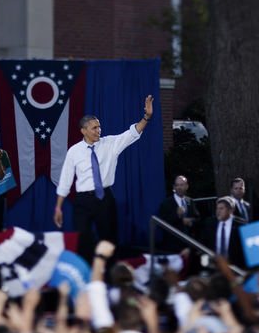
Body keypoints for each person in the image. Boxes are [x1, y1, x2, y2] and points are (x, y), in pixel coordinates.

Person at [54, 95, 155, 261]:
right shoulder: (74, 151)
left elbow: (133, 133)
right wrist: (58, 208)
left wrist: (147, 117)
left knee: (109, 242)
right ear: (83, 131)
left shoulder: (110, 144)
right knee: (82, 242)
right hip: (82, 202)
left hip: (105, 199)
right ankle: (86, 278)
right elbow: (65, 180)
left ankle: (109, 277)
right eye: (94, 128)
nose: (98, 130)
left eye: (99, 127)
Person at [157, 175, 196, 249]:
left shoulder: (190, 201)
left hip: (189, 244)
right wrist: (177, 215)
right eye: (177, 185)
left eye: (181, 185)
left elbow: (197, 219)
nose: (179, 187)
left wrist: (190, 221)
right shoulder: (166, 204)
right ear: (174, 187)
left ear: (187, 186)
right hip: (173, 245)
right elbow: (162, 224)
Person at [203, 196, 243, 266]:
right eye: (217, 208)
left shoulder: (240, 224)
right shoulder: (210, 223)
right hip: (215, 264)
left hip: (234, 265)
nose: (218, 211)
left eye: (221, 209)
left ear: (230, 210)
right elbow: (203, 241)